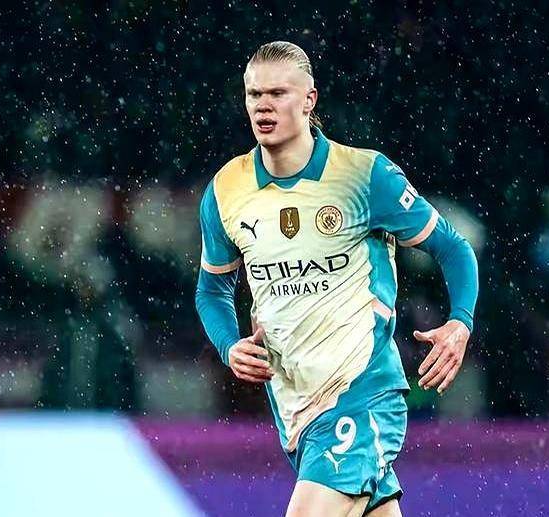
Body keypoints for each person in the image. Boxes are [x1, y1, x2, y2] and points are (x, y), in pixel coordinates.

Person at [195, 41, 478, 517]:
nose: (263, 106)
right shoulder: (226, 190)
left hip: (363, 390)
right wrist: (229, 345)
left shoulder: (364, 175)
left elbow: (453, 248)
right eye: (254, 94)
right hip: (297, 406)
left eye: (278, 93)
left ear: (309, 99)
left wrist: (460, 322)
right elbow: (212, 288)